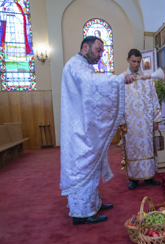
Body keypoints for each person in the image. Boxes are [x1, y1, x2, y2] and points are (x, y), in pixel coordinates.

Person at [60, 36, 135, 225]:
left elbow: (92, 88)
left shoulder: (82, 65)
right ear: (86, 47)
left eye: (102, 51)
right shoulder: (75, 65)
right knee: (83, 166)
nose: (101, 54)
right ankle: (82, 213)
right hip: (79, 128)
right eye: (99, 50)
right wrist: (118, 80)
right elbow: (91, 83)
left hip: (84, 124)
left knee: (90, 164)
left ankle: (92, 203)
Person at [122, 49, 163, 190]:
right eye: (133, 61)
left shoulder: (147, 78)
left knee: (148, 148)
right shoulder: (122, 78)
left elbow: (154, 98)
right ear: (127, 60)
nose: (136, 64)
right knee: (132, 149)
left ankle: (149, 176)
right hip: (130, 122)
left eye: (139, 62)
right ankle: (133, 178)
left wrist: (156, 120)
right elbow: (119, 102)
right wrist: (121, 121)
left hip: (146, 122)